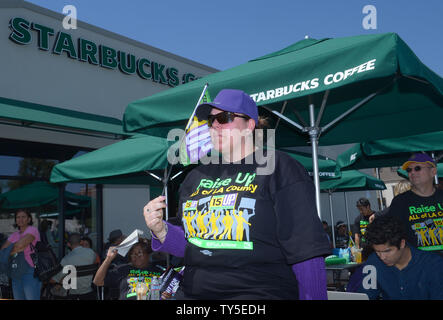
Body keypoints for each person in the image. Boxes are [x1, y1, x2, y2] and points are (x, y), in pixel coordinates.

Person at [143, 88, 331, 300]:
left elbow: (305, 250)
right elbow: (192, 246)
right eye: (211, 119)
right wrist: (160, 230)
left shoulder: (279, 167)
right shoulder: (194, 177)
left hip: (257, 293)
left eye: (225, 117)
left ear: (250, 125)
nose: (215, 125)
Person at [355, 215, 443, 299]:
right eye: (377, 251)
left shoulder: (433, 264)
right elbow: (366, 296)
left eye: (387, 251)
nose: (382, 257)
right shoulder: (373, 263)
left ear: (402, 243)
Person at [385, 153, 443, 254]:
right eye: (409, 170)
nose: (412, 172)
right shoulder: (400, 202)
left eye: (417, 168)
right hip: (418, 266)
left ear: (433, 171)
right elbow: (393, 237)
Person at [93, 239, 163, 300]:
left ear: (148, 254)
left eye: (139, 252)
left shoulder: (158, 271)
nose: (136, 256)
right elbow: (97, 281)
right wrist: (108, 259)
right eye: (132, 254)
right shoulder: (123, 269)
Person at [0, 209, 41, 300]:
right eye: (18, 217)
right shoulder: (14, 235)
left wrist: (10, 249)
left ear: (29, 219)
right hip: (15, 272)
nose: (20, 219)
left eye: (23, 217)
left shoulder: (32, 230)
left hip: (30, 272)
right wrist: (15, 248)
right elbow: (2, 250)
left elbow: (20, 245)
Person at [50, 233, 97, 300]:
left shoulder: (66, 259)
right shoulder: (91, 253)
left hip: (73, 294)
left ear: (68, 244)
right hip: (90, 293)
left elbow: (54, 280)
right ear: (81, 242)